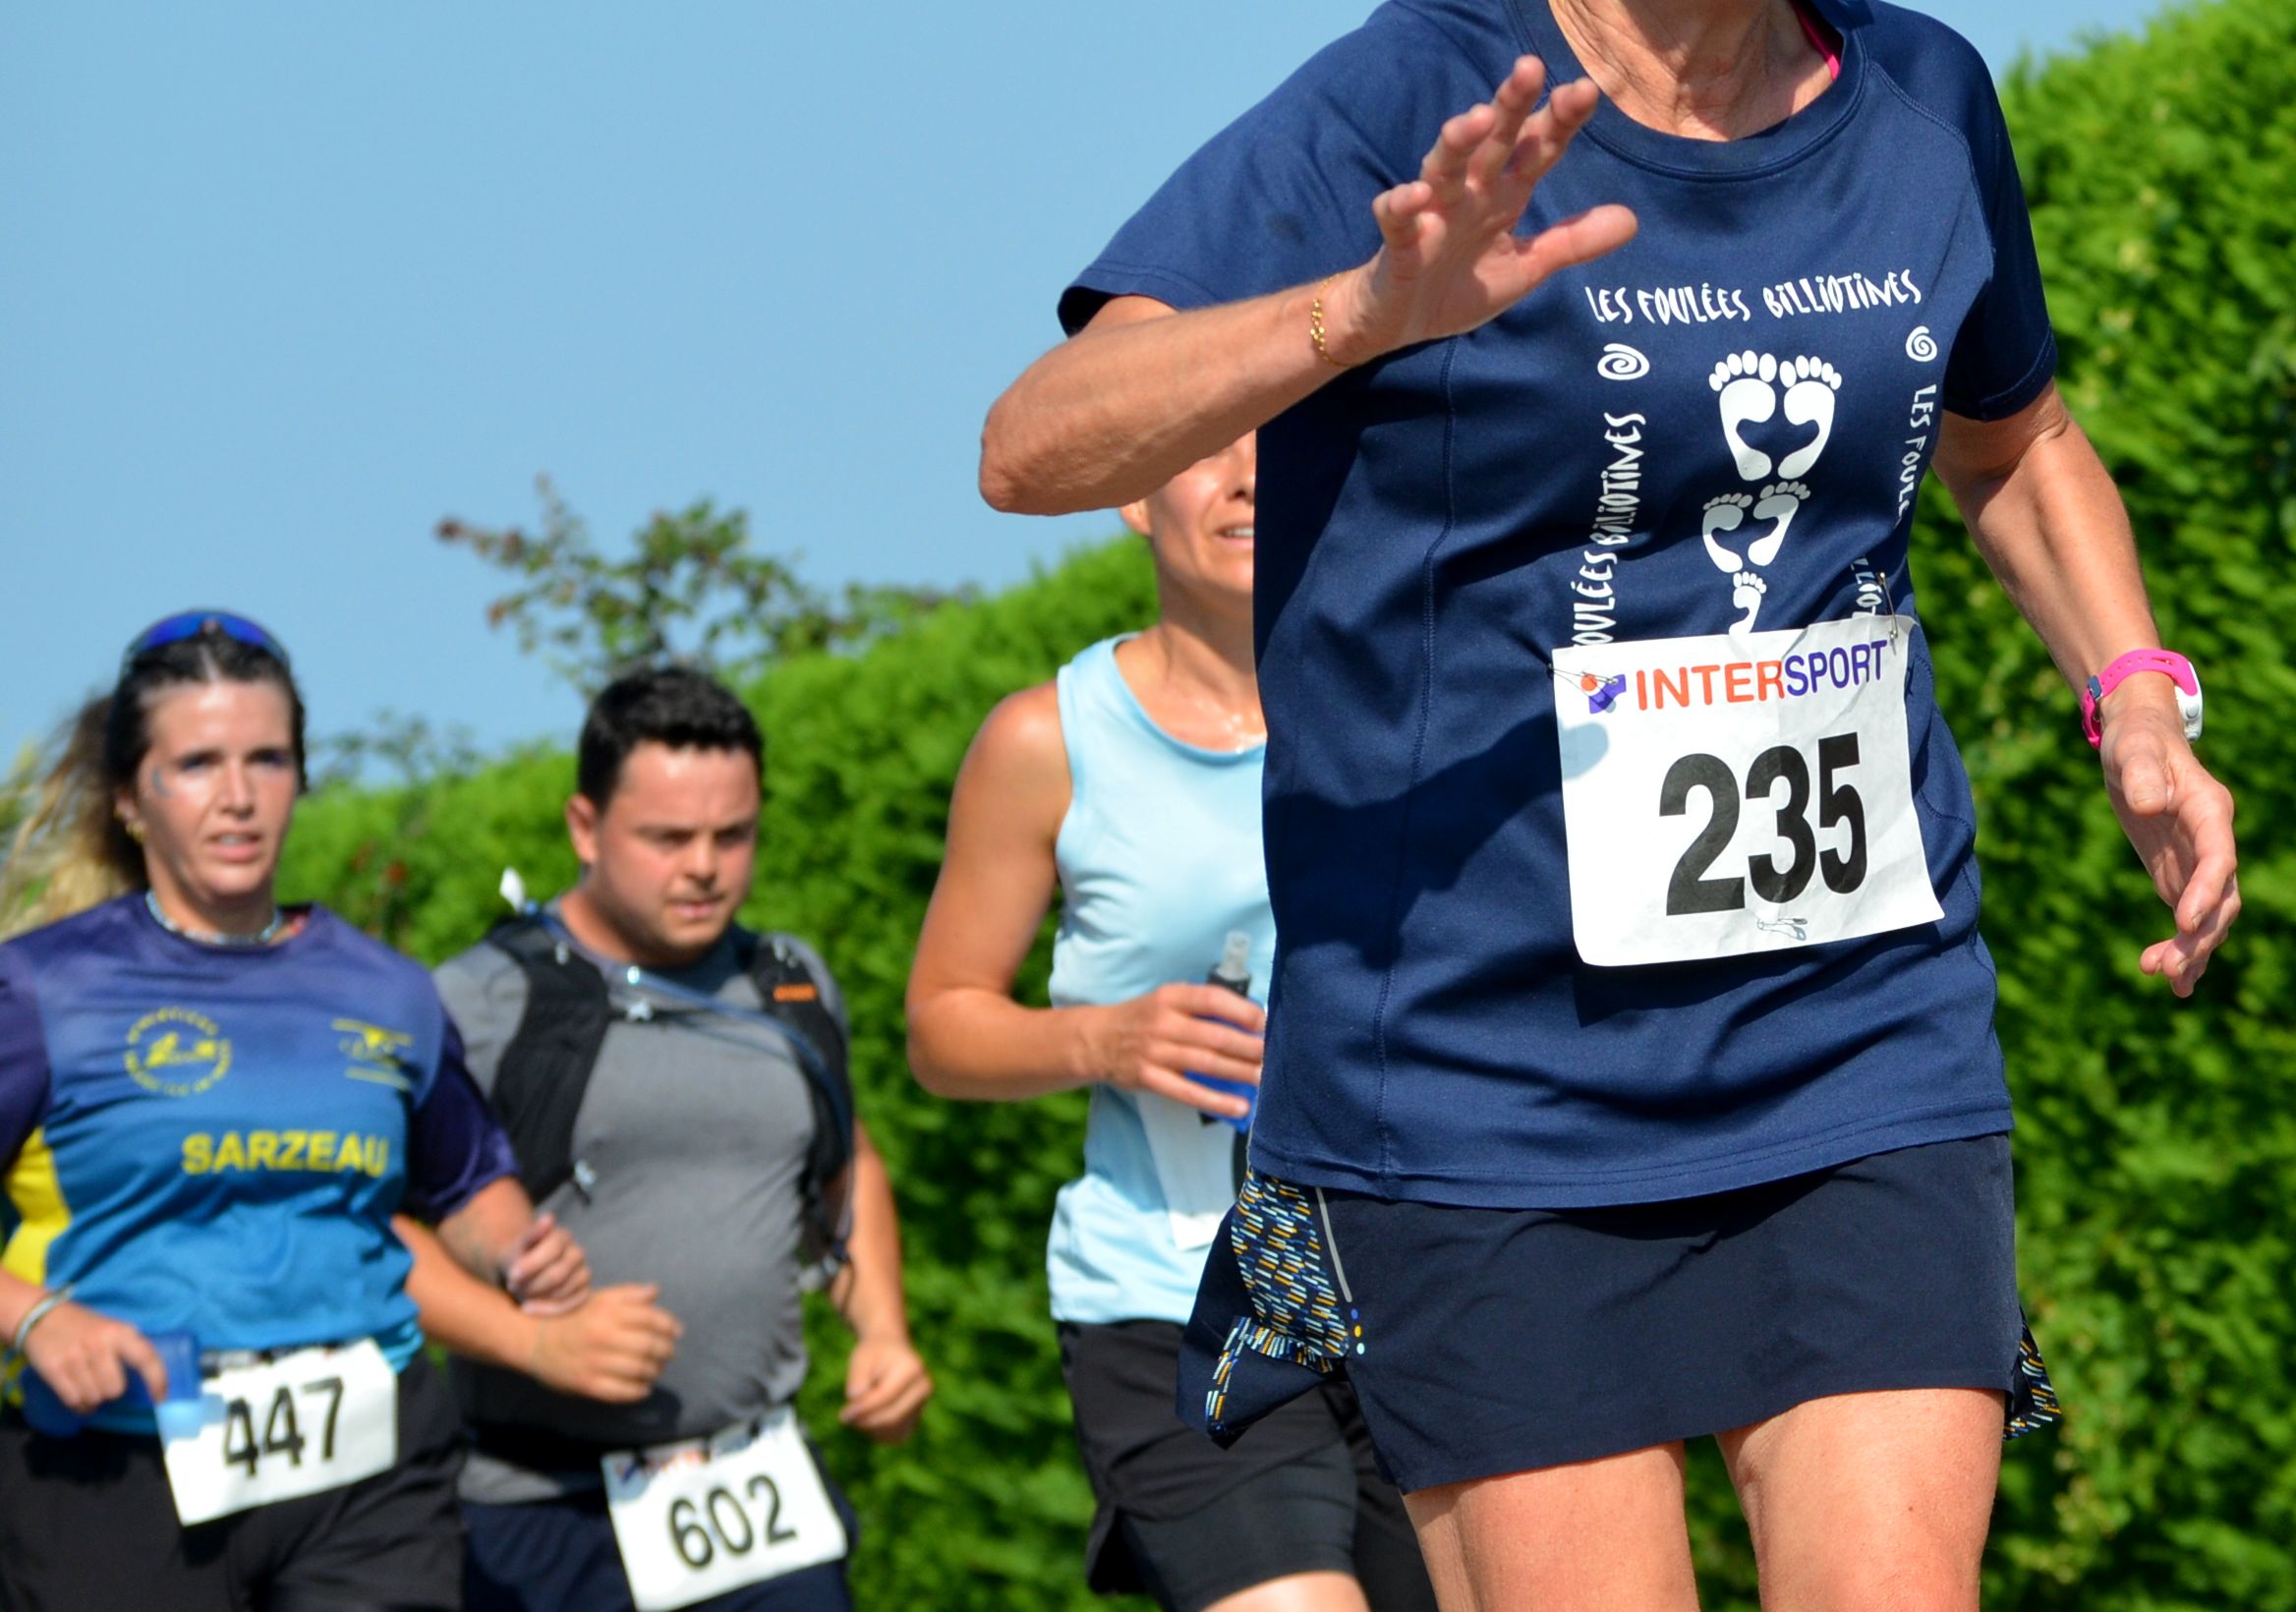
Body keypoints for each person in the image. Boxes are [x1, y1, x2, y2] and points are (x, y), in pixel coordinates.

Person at [974, 0, 2240, 1612]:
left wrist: (2135, 698)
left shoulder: (1925, 102)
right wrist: (1365, 312)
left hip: (1857, 1031)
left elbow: (2012, 440)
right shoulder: (1411, 103)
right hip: (1484, 1081)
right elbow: (1034, 442)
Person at [907, 437, 1430, 1612]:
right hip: (1178, 1296)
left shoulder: (1416, 700)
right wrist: (1103, 1040)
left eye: (1277, 439)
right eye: (1202, 449)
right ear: (1137, 498)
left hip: (1421, 1282)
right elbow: (940, 1026)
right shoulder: (1050, 741)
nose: (1248, 476)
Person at [0, 610, 591, 1612]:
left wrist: (519, 1250)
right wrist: (36, 1319)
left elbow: (465, 1179)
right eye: (197, 764)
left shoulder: (388, 990)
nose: (238, 797)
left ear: (301, 777)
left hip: (368, 1472)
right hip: (114, 1469)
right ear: (129, 798)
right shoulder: (42, 989)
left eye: (267, 760)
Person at [411, 662, 930, 1612]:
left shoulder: (790, 983)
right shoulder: (481, 1000)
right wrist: (533, 1344)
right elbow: (380, 1230)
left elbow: (844, 1165)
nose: (704, 867)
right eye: (668, 837)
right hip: (544, 1511)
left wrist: (884, 1332)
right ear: (584, 827)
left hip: (761, 1503)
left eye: (733, 835)